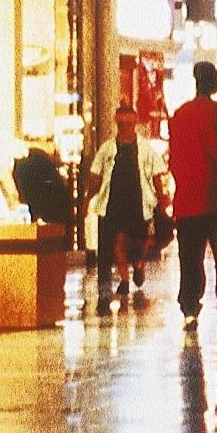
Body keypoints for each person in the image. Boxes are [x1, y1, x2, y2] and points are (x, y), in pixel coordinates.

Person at [169, 61, 217, 328]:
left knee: (189, 258)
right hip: (215, 196)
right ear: (213, 81)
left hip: (187, 198)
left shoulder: (179, 115)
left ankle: (189, 308)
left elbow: (175, 157)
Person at [86, 104, 165, 313]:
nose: (126, 128)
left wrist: (162, 202)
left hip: (139, 203)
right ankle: (122, 280)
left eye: (129, 124)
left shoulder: (146, 148)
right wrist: (88, 197)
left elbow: (157, 175)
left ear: (136, 123)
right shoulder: (107, 148)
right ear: (116, 124)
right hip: (113, 203)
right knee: (116, 243)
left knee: (138, 243)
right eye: (122, 124)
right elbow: (96, 175)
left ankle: (138, 264)